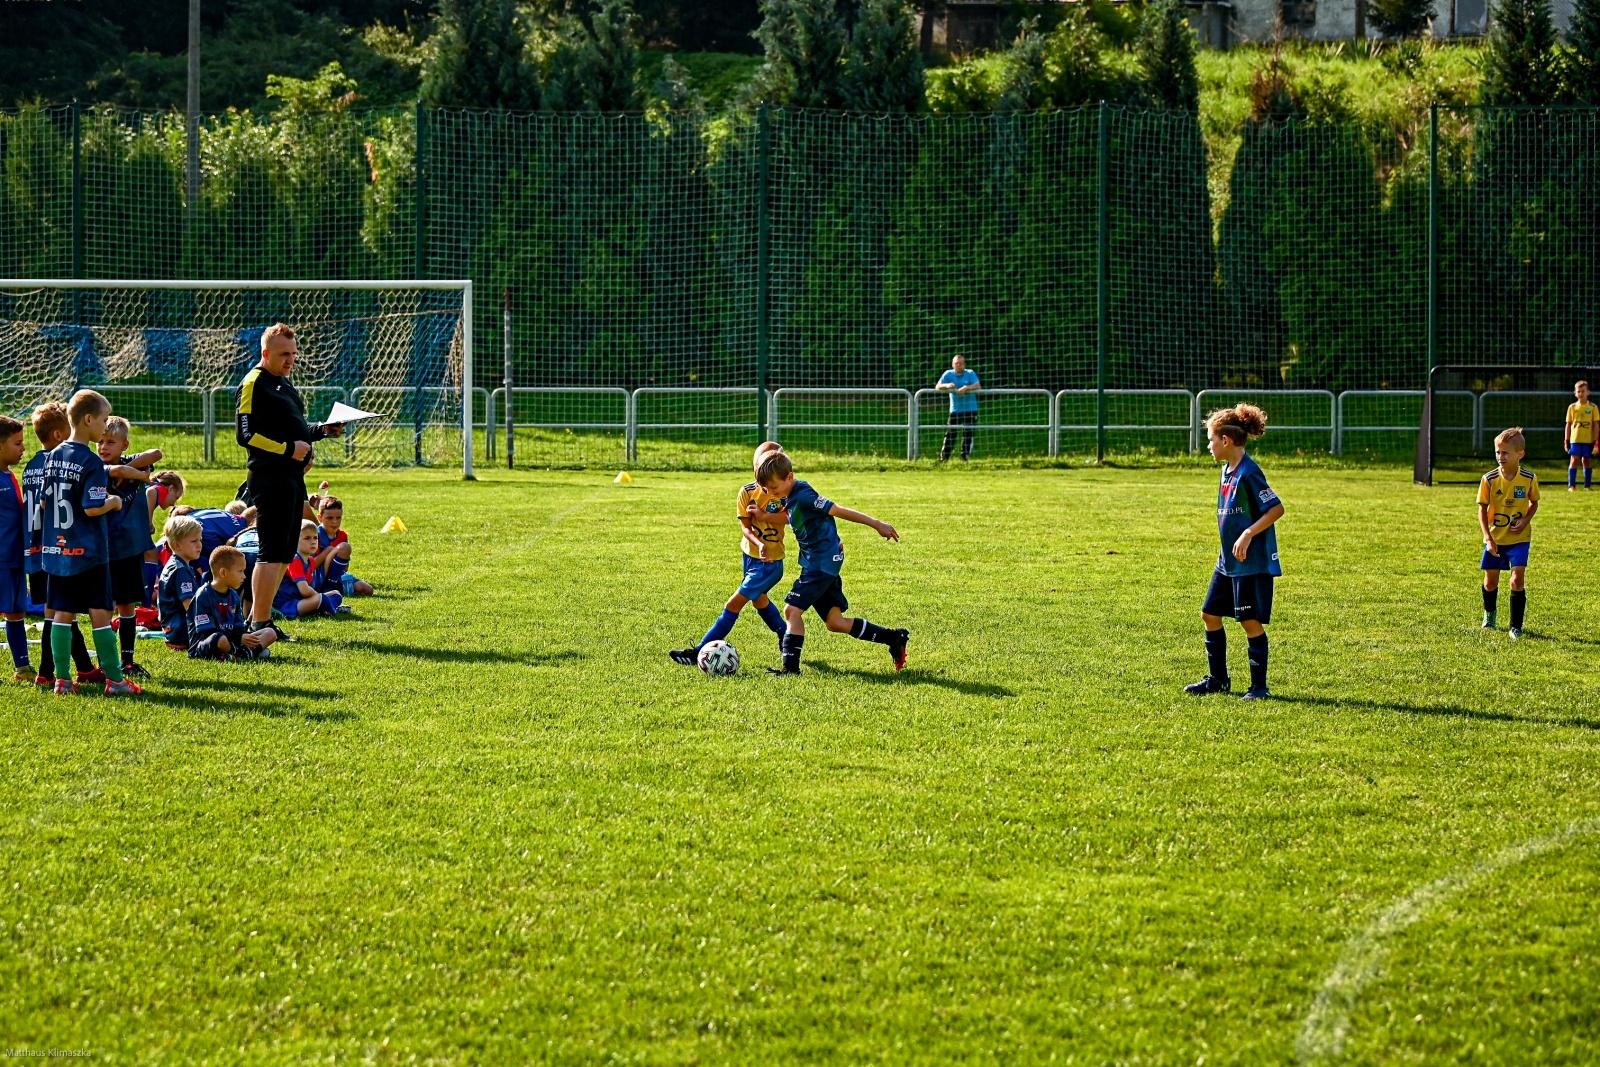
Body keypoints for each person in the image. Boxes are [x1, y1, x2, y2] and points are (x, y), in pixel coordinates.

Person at [236, 323, 343, 650]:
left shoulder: (283, 384)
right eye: (284, 354)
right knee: (271, 554)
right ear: (265, 353)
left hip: (291, 478)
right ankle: (258, 622)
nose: (290, 360)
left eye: (294, 354)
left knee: (283, 554)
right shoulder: (254, 383)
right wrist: (287, 450)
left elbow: (294, 430)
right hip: (270, 479)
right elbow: (246, 434)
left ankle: (261, 620)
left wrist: (322, 430)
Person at [755, 450, 908, 675]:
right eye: (767, 490)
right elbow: (793, 517)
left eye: (774, 489)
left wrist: (876, 524)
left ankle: (790, 669)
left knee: (791, 611)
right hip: (821, 562)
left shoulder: (804, 495)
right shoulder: (789, 495)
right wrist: (766, 517)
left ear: (789, 477)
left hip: (821, 564)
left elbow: (837, 510)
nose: (771, 494)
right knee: (835, 623)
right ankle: (893, 637)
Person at [40, 390, 141, 696]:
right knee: (100, 611)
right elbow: (91, 507)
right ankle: (115, 680)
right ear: (87, 419)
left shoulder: (54, 454)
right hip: (89, 552)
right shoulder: (91, 462)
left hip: (58, 550)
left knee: (62, 613)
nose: (104, 425)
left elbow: (46, 503)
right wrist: (112, 502)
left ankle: (62, 680)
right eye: (102, 419)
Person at [1186, 403, 1284, 701]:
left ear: (1226, 441)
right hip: (1227, 561)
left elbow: (1276, 508)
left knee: (1248, 622)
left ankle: (1259, 688)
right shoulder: (1226, 471)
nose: (1208, 445)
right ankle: (1218, 679)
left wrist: (1247, 533)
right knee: (1210, 614)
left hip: (1250, 562)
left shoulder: (1249, 472)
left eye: (1211, 439)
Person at [669, 442, 792, 666]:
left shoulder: (784, 491)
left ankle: (696, 653)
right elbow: (745, 527)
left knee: (733, 604)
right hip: (750, 556)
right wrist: (757, 542)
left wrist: (765, 516)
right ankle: (786, 635)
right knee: (759, 601)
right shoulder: (746, 492)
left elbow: (791, 518)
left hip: (770, 562)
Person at [20, 402, 96, 688]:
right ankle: (46, 672)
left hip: (34, 548)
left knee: (60, 612)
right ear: (57, 435)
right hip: (55, 549)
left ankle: (85, 669)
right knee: (59, 613)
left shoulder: (31, 466)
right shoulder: (60, 462)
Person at [97, 416, 166, 679]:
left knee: (127, 605)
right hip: (103, 548)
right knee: (103, 606)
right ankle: (106, 663)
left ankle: (127, 660)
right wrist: (136, 474)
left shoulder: (127, 461)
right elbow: (119, 472)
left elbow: (155, 453)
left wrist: (132, 468)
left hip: (129, 548)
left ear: (124, 445)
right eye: (100, 442)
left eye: (110, 442)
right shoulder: (95, 468)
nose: (103, 447)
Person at [1479, 427, 1539, 639]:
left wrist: (1525, 519)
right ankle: (1490, 616)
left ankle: (1516, 626)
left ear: (1519, 454)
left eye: (1505, 452)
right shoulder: (1489, 479)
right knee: (1490, 582)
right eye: (1497, 452)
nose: (1500, 456)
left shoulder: (1529, 478)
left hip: (1519, 539)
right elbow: (1482, 510)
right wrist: (1488, 538)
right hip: (1496, 538)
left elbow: (1534, 502)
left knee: (1517, 580)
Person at [0, 416, 30, 681]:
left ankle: (22, 667)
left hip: (15, 558)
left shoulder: (10, 476)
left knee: (16, 611)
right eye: (18, 443)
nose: (22, 449)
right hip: (1, 559)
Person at [189, 546, 258, 660]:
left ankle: (236, 653)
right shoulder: (203, 595)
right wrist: (238, 638)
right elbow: (206, 631)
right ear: (223, 572)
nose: (244, 576)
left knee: (269, 633)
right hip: (206, 644)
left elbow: (238, 627)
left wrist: (243, 636)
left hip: (231, 640)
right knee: (220, 639)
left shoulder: (234, 595)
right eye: (240, 571)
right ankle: (242, 653)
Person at [273, 521, 346, 620]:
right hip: (287, 605)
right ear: (294, 540)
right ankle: (331, 611)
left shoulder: (310, 560)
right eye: (307, 538)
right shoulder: (294, 560)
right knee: (321, 598)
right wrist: (319, 596)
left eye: (315, 538)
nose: (313, 541)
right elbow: (305, 591)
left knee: (336, 594)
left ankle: (324, 608)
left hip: (302, 600)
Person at [157, 515, 204, 651]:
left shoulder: (180, 565)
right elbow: (189, 606)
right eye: (194, 541)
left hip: (174, 631)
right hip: (181, 632)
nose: (199, 545)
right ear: (177, 544)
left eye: (200, 540)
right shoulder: (180, 570)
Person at [314, 496, 375, 598]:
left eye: (338, 518)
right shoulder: (316, 534)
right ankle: (327, 590)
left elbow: (345, 568)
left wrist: (337, 556)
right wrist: (329, 551)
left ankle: (333, 588)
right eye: (330, 518)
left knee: (367, 589)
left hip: (337, 576)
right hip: (318, 577)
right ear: (320, 518)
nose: (334, 522)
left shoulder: (342, 536)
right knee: (343, 547)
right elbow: (311, 565)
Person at [936, 354, 981, 462]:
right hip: (955, 410)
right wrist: (947, 386)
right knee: (951, 433)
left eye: (961, 363)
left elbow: (978, 386)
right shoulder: (948, 374)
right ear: (953, 364)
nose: (959, 365)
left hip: (970, 409)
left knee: (968, 433)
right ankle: (944, 458)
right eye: (957, 363)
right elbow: (938, 386)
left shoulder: (970, 373)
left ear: (964, 364)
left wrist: (967, 388)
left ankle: (964, 457)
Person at [1564, 380, 1597, 491]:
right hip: (1575, 439)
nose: (1581, 394)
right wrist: (1566, 439)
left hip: (1588, 440)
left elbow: (1596, 424)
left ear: (1588, 392)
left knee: (1586, 460)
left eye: (1583, 391)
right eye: (1579, 391)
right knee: (1574, 460)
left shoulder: (1592, 407)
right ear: (1575, 393)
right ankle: (1571, 485)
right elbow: (1568, 425)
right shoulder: (1572, 407)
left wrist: (1596, 440)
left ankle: (1587, 485)